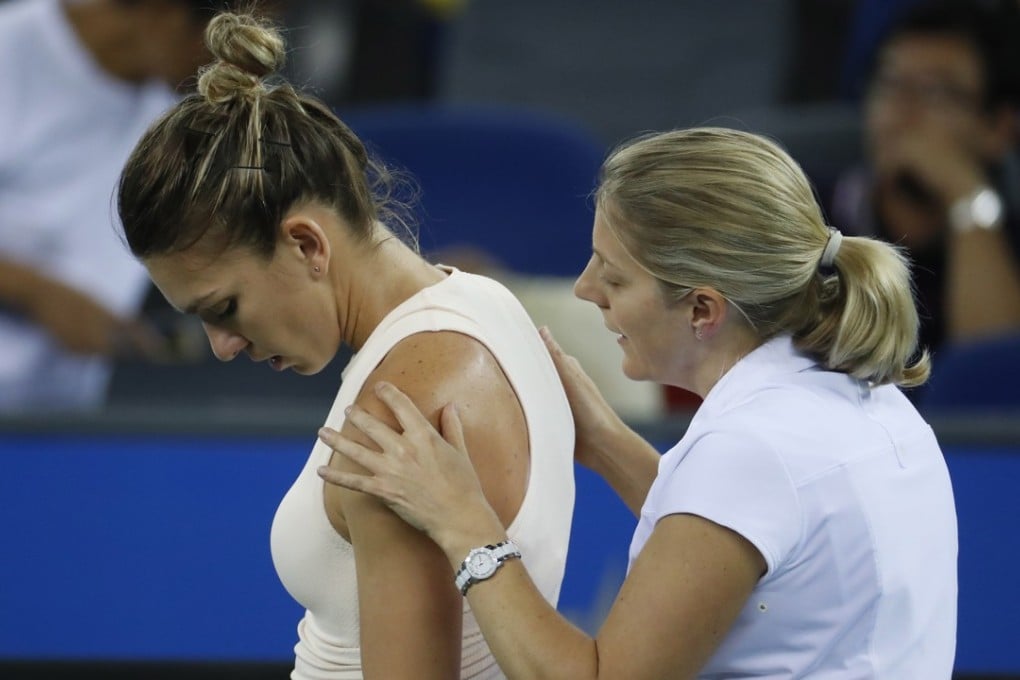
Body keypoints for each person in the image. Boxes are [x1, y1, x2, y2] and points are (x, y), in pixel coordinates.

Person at [317, 127, 959, 678]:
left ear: (702, 309)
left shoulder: (749, 452)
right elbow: (731, 542)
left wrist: (463, 522)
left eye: (614, 275)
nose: (585, 288)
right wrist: (604, 440)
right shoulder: (866, 399)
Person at [115, 10, 575, 679]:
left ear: (307, 244)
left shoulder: (399, 417)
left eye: (224, 308)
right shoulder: (486, 300)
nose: (222, 347)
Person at [0, 0, 247, 413]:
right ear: (164, 12)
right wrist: (38, 294)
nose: (243, 65)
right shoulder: (11, 49)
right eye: (229, 37)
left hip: (58, 420)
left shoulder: (178, 108)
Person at [830, 0, 1020, 355]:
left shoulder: (1007, 248)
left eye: (936, 91)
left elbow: (993, 373)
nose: (904, 108)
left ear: (998, 128)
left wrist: (967, 197)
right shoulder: (806, 212)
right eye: (890, 83)